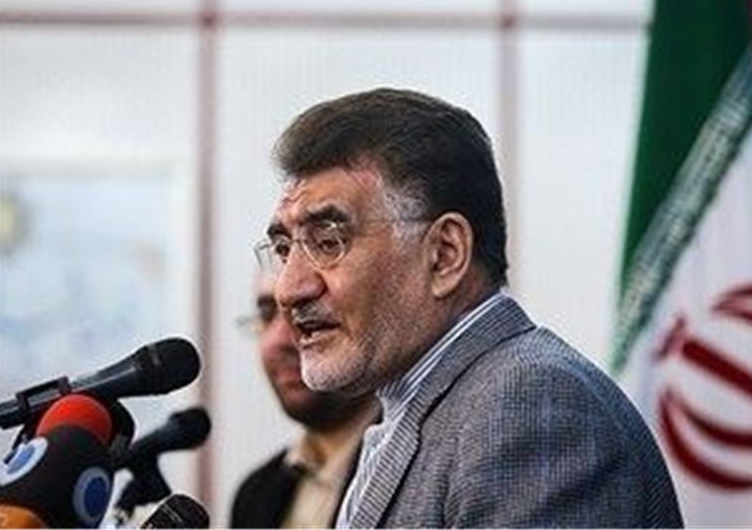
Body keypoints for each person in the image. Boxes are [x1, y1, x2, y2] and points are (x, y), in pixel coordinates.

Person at [257, 88, 684, 528]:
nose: (289, 289)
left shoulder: (528, 403)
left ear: (445, 254)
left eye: (328, 242)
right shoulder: (428, 404)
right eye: (285, 249)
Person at [230, 271, 379, 528]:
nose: (278, 341)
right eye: (267, 314)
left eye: (307, 313)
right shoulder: (254, 495)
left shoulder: (420, 475)